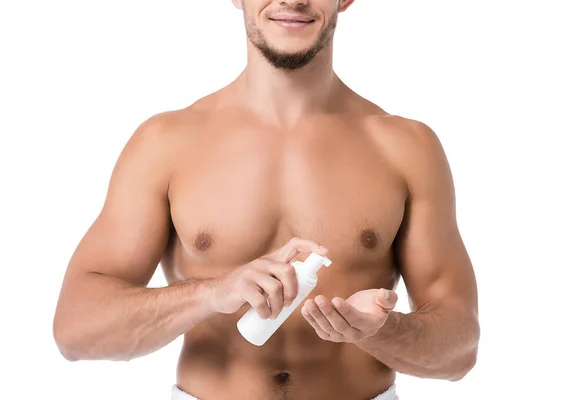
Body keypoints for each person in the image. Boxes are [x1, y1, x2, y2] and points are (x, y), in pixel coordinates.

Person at [53, 1, 480, 399]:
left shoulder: (407, 148)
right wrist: (211, 293)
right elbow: (75, 329)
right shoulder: (165, 144)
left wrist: (379, 330)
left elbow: (459, 351)